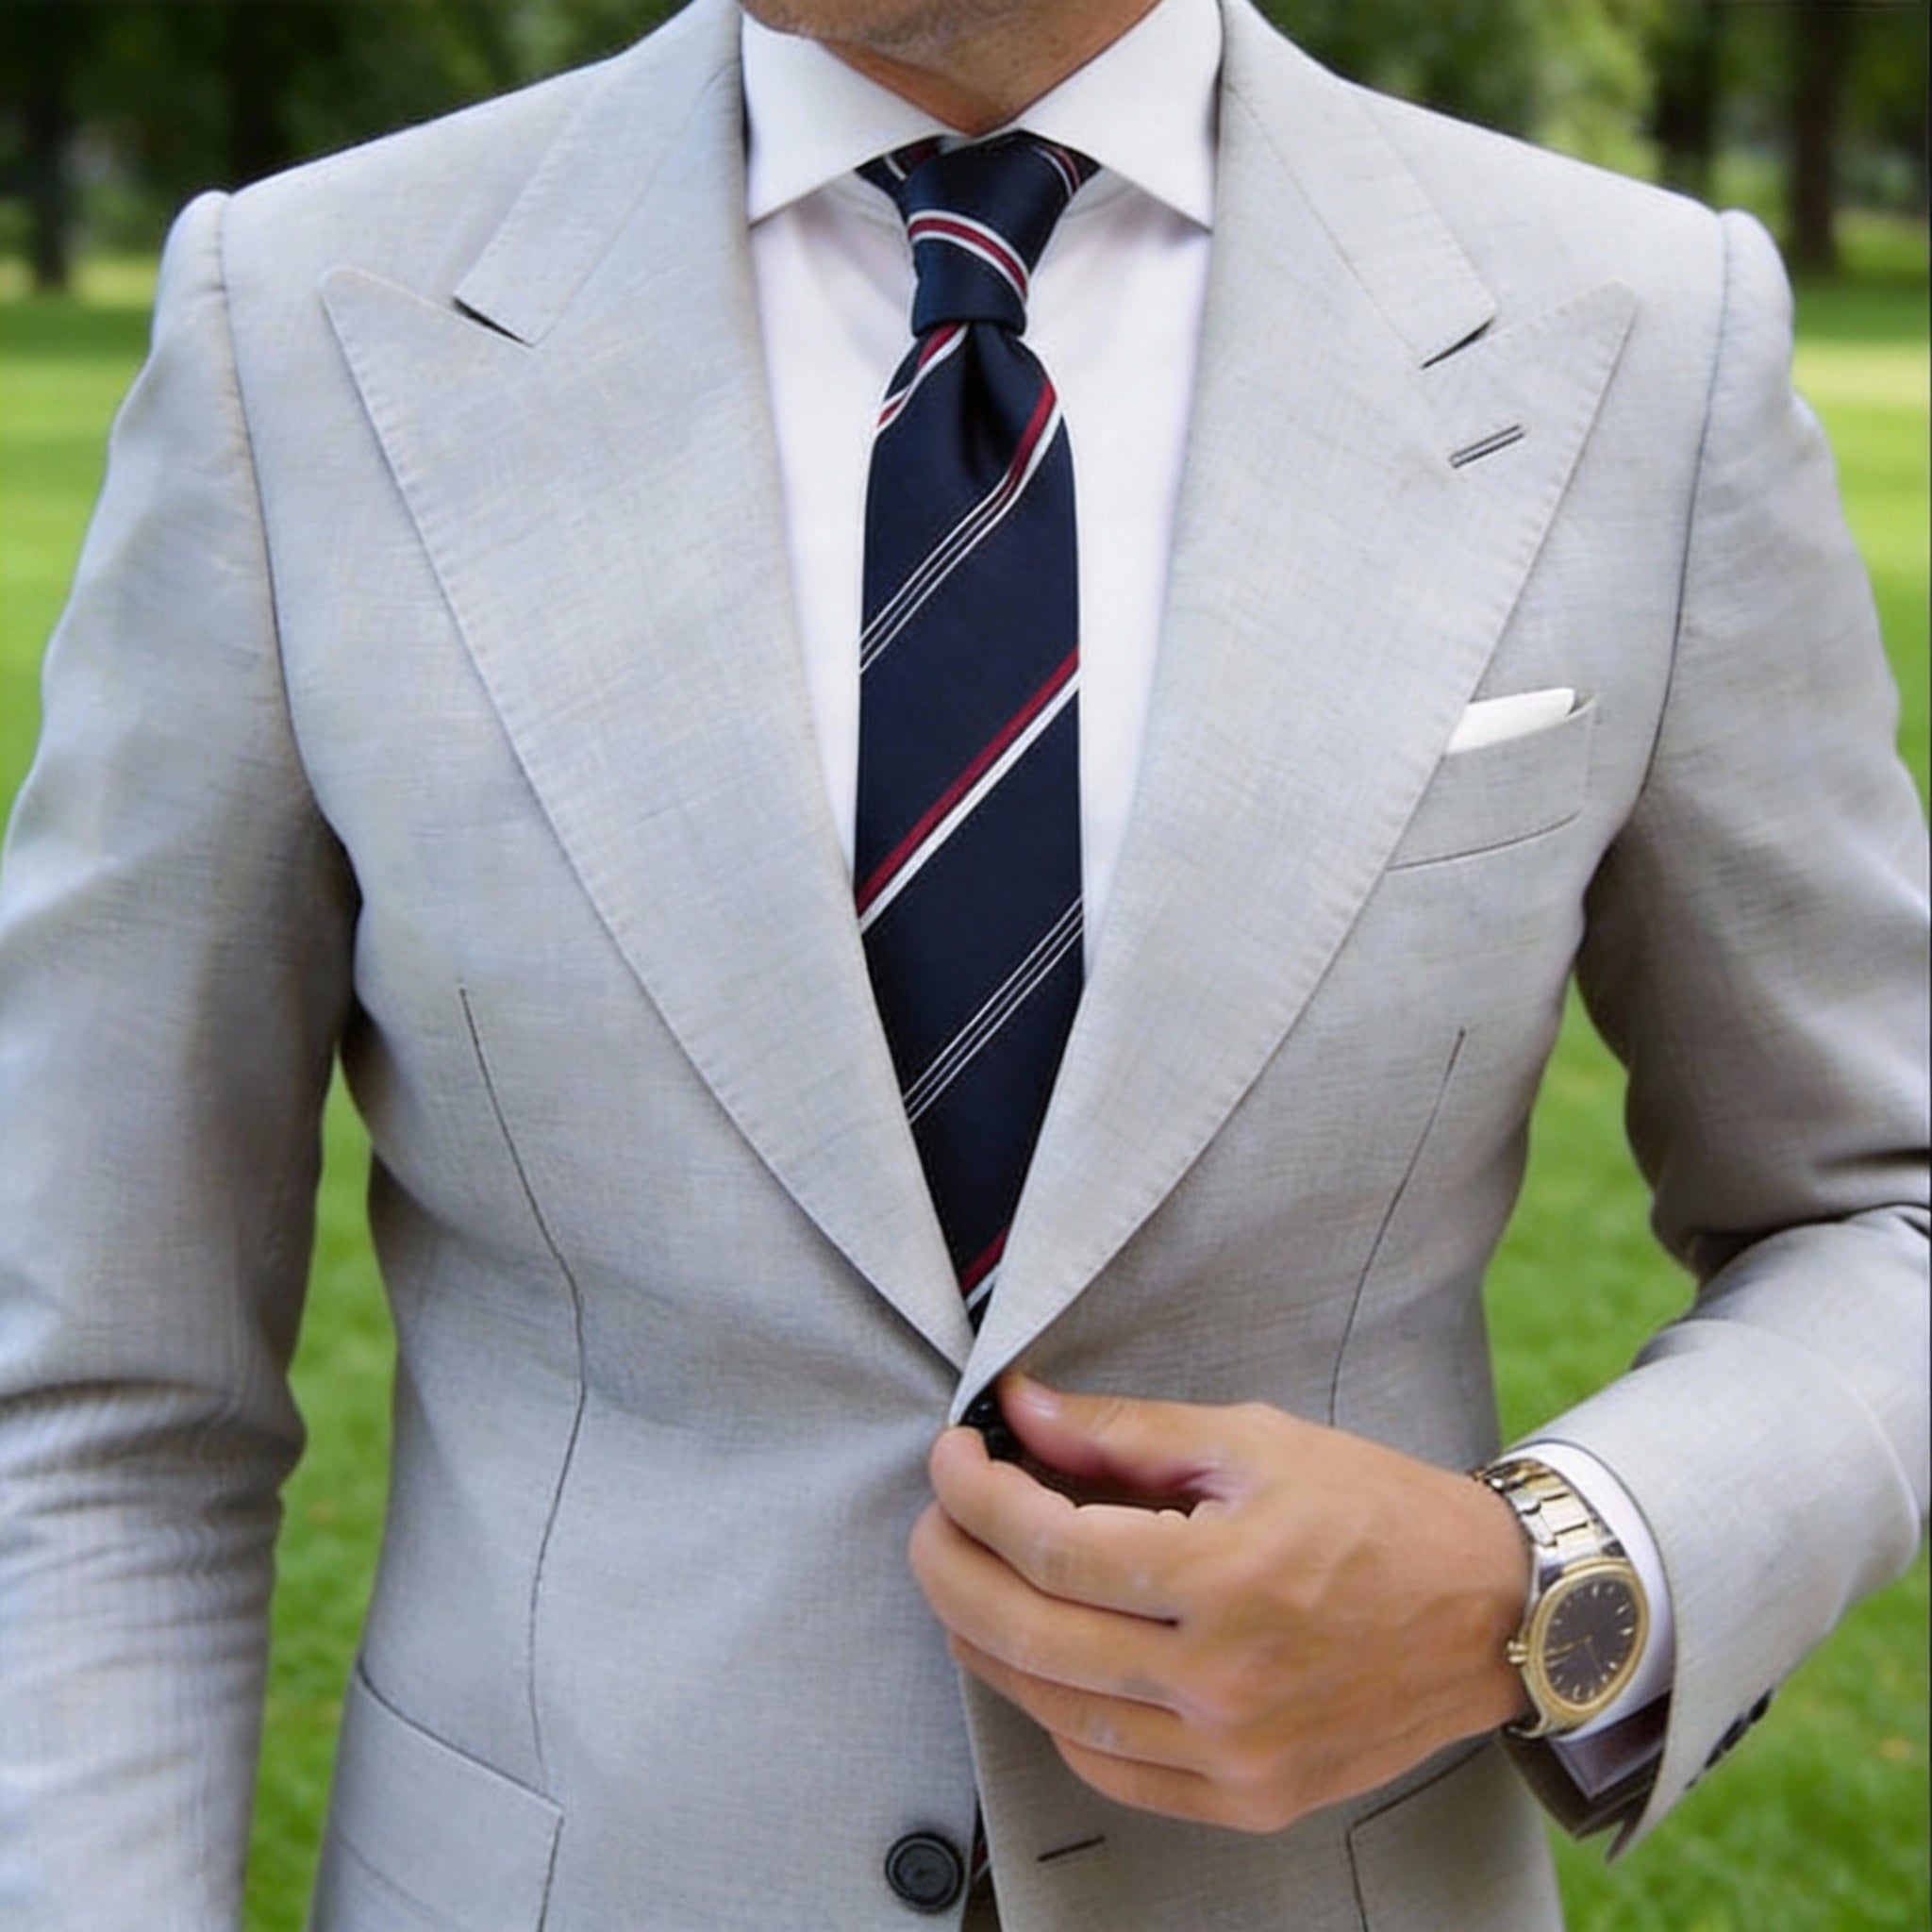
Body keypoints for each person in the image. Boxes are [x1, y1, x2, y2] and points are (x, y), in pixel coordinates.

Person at [0, 0, 1924, 1924]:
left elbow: (1879, 1205)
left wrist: (1542, 1583)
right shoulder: (302, 320)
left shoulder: (1639, 336)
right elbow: (94, 1391)